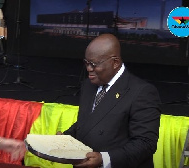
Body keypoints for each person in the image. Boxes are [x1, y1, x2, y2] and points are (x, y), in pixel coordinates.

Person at [60, 34, 161, 168]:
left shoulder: (142, 92)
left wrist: (104, 159)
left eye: (94, 64)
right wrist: (65, 138)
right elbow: (89, 122)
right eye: (86, 62)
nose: (88, 69)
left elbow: (145, 143)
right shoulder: (88, 85)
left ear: (115, 63)